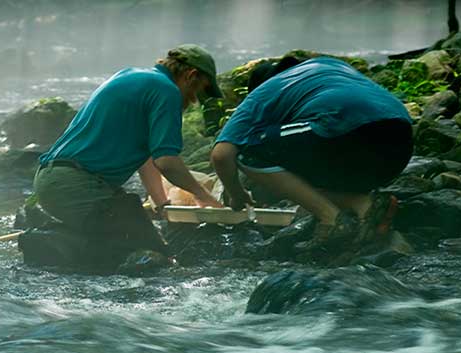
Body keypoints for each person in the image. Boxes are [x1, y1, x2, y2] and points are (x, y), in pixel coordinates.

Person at [25, 44, 225, 271]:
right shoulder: (167, 91)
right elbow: (167, 161)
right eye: (198, 92)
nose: (195, 101)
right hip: (77, 185)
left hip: (51, 180)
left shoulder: (132, 76)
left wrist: (161, 204)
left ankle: (62, 244)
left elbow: (145, 157)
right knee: (157, 258)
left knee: (124, 236)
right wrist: (203, 196)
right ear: (191, 76)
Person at [210, 56, 413, 247]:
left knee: (250, 148)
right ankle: (364, 206)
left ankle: (333, 220)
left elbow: (221, 154)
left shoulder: (265, 91)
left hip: (344, 129)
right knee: (301, 168)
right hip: (399, 146)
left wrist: (235, 192)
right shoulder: (329, 68)